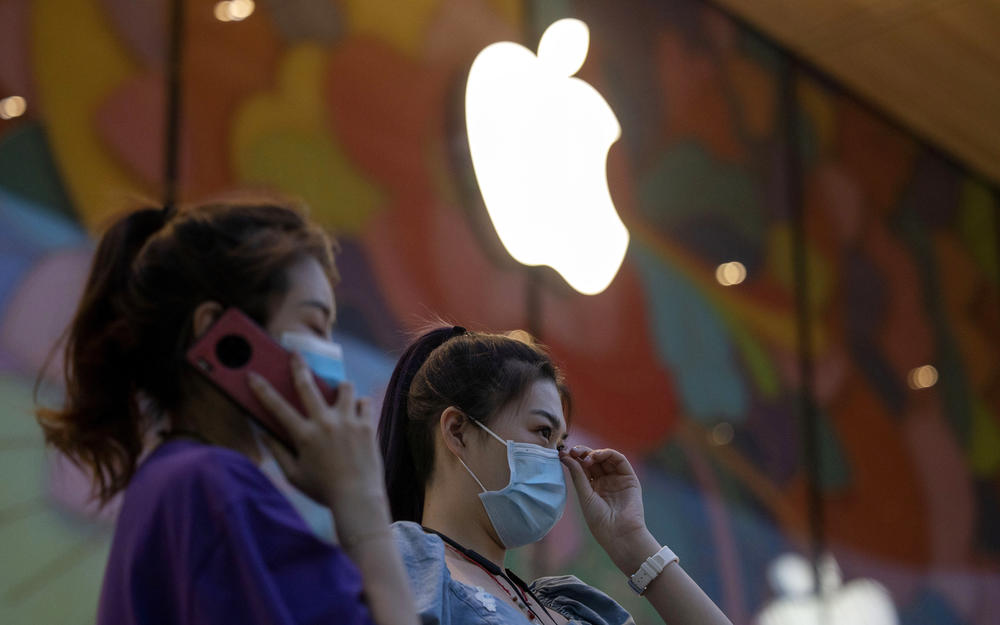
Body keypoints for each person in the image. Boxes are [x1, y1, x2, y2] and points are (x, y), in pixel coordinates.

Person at [37, 199, 417, 625]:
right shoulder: (218, 488)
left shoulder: (173, 479)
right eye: (313, 326)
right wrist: (363, 508)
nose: (331, 359)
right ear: (220, 332)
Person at [377, 327, 733, 625]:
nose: (559, 459)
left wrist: (631, 541)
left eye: (562, 443)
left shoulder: (572, 608)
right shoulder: (397, 564)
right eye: (544, 432)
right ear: (458, 431)